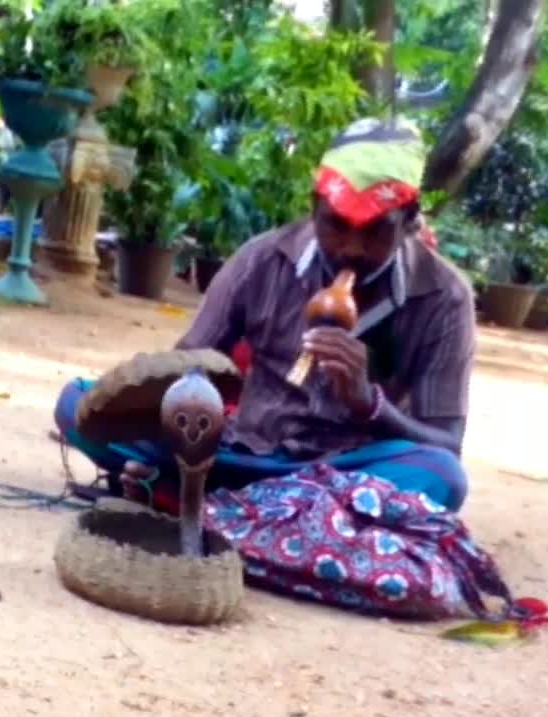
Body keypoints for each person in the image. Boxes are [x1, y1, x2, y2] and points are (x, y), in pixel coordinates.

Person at [54, 118, 476, 511]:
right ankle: (272, 509)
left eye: (375, 231)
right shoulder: (262, 260)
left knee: (442, 477)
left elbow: (446, 443)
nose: (352, 248)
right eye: (336, 225)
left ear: (410, 222)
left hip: (348, 470)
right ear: (314, 207)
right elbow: (187, 370)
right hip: (238, 452)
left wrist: (369, 404)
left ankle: (198, 498)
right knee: (79, 405)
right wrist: (184, 419)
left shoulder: (445, 298)